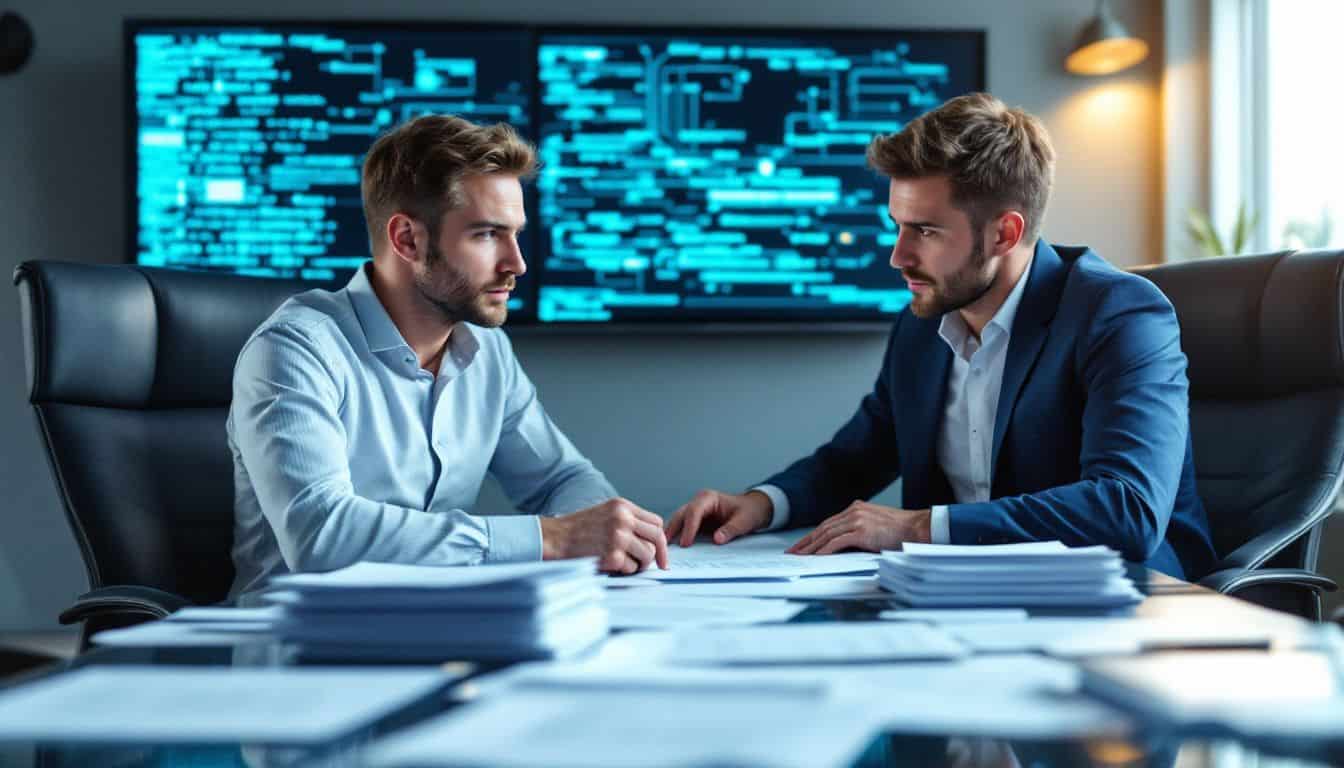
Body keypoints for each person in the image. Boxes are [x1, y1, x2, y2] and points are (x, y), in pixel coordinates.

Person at [666, 92, 1217, 579]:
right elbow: (855, 459)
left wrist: (917, 527)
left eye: (926, 231)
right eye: (898, 226)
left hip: (1134, 600)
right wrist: (761, 505)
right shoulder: (922, 325)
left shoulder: (1120, 314)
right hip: (965, 597)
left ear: (1004, 234)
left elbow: (1126, 510)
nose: (898, 255)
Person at [228, 115, 668, 602]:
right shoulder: (295, 349)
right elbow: (321, 535)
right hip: (295, 638)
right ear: (408, 240)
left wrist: (598, 533)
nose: (517, 263)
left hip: (443, 626)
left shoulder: (486, 351)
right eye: (487, 235)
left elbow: (564, 479)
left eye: (515, 234)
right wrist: (552, 539)